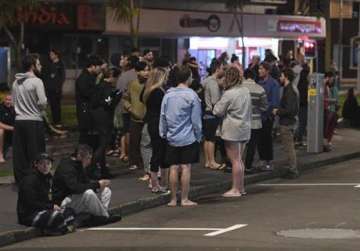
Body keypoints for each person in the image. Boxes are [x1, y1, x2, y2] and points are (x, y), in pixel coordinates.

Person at [160, 65, 202, 207]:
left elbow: (163, 116)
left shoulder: (168, 95)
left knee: (173, 167)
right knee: (185, 167)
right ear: (188, 78)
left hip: (171, 136)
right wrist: (198, 135)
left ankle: (172, 199)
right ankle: (184, 198)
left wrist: (163, 132)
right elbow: (196, 120)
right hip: (188, 136)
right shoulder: (192, 95)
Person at [53, 144, 121, 225]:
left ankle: (99, 215)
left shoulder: (79, 165)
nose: (89, 161)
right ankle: (104, 217)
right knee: (89, 193)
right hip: (64, 202)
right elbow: (75, 188)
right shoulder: (67, 168)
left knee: (106, 190)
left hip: (76, 198)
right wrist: (97, 185)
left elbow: (85, 183)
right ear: (80, 157)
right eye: (88, 158)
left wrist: (99, 185)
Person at [213, 66, 251, 197]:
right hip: (245, 127)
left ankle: (235, 189)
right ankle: (241, 187)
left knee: (234, 160)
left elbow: (217, 111)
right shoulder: (245, 91)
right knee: (239, 159)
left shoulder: (229, 94)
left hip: (232, 129)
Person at [17, 153, 75, 234]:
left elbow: (50, 197)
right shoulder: (30, 180)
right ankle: (58, 228)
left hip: (45, 210)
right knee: (57, 217)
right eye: (42, 163)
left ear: (51, 165)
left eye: (48, 163)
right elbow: (31, 203)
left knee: (69, 211)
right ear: (36, 164)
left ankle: (61, 227)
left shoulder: (48, 178)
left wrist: (60, 202)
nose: (45, 166)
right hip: (30, 214)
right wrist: (51, 206)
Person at [12, 54, 47, 184]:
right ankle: (38, 179)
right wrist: (38, 108)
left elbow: (14, 103)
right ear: (32, 66)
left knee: (20, 153)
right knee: (36, 152)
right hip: (34, 121)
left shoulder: (16, 82)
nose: (41, 66)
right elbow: (43, 102)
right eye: (38, 64)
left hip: (19, 121)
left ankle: (22, 180)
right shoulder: (37, 81)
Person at [141, 58, 170, 193]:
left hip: (151, 122)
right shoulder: (159, 92)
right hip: (159, 123)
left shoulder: (148, 90)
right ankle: (158, 184)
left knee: (156, 153)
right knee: (160, 154)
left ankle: (156, 183)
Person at [91, 68, 122, 178]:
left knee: (101, 145)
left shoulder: (99, 86)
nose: (117, 80)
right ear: (112, 77)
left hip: (96, 117)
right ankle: (91, 168)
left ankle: (103, 170)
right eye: (117, 78)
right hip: (104, 118)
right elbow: (109, 104)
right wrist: (118, 96)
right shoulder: (107, 88)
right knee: (103, 145)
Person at [273, 69, 299, 179]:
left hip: (287, 123)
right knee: (289, 147)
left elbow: (290, 109)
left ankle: (292, 170)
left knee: (289, 148)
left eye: (281, 76)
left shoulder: (289, 91)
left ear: (286, 77)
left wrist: (277, 111)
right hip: (288, 122)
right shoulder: (290, 89)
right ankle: (291, 168)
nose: (280, 78)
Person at [122, 61, 148, 171]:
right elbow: (125, 98)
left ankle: (145, 162)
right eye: (144, 70)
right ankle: (134, 162)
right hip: (134, 117)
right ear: (137, 72)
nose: (147, 72)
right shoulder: (132, 84)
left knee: (146, 142)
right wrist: (129, 108)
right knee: (134, 141)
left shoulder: (151, 84)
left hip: (148, 118)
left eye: (148, 70)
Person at [242, 70, 268, 173]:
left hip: (241, 121)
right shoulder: (260, 89)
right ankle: (248, 166)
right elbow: (264, 107)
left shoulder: (239, 88)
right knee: (252, 146)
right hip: (255, 122)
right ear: (254, 77)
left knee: (241, 145)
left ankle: (238, 165)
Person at [257, 62, 280, 171]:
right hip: (258, 116)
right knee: (260, 139)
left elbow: (274, 102)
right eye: (259, 69)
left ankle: (269, 160)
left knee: (267, 138)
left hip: (267, 116)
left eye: (261, 69)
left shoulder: (273, 84)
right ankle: (262, 159)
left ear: (267, 70)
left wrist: (265, 109)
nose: (259, 71)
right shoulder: (258, 83)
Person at [202, 60, 225, 170]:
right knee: (211, 139)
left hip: (206, 113)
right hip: (212, 113)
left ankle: (207, 161)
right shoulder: (213, 82)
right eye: (222, 68)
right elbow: (215, 100)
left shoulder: (206, 80)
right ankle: (212, 161)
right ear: (217, 69)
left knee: (207, 138)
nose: (223, 71)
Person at [75, 55, 102, 147]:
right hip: (85, 110)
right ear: (92, 66)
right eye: (98, 67)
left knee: (86, 135)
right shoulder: (84, 78)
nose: (100, 69)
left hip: (87, 109)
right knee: (84, 135)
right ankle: (81, 156)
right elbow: (87, 93)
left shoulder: (90, 77)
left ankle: (81, 155)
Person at [116, 55, 139, 162]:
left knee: (126, 132)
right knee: (132, 132)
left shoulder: (123, 76)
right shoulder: (137, 77)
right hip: (135, 108)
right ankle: (132, 154)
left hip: (124, 107)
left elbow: (118, 92)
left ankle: (126, 153)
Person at [42, 49, 65, 128]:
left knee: (57, 105)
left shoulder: (60, 64)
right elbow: (44, 75)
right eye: (50, 54)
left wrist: (58, 86)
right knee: (51, 105)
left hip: (56, 89)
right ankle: (53, 121)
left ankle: (58, 121)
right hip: (49, 88)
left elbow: (62, 77)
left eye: (52, 54)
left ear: (56, 55)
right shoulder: (48, 64)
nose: (50, 56)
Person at [295, 63, 310, 146]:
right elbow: (305, 94)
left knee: (300, 122)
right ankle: (299, 139)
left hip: (299, 103)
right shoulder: (305, 81)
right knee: (302, 122)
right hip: (303, 104)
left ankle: (298, 138)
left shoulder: (300, 78)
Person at [323, 71, 338, 152]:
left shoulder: (327, 87)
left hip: (328, 109)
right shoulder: (323, 85)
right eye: (332, 79)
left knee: (329, 127)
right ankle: (325, 144)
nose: (332, 80)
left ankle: (327, 143)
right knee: (326, 128)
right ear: (328, 77)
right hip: (325, 110)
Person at [0, 94, 15, 163]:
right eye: (6, 99)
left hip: (13, 131)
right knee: (0, 131)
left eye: (10, 100)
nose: (8, 101)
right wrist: (12, 128)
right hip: (5, 130)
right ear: (3, 100)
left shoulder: (14, 109)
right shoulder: (1, 108)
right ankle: (0, 155)